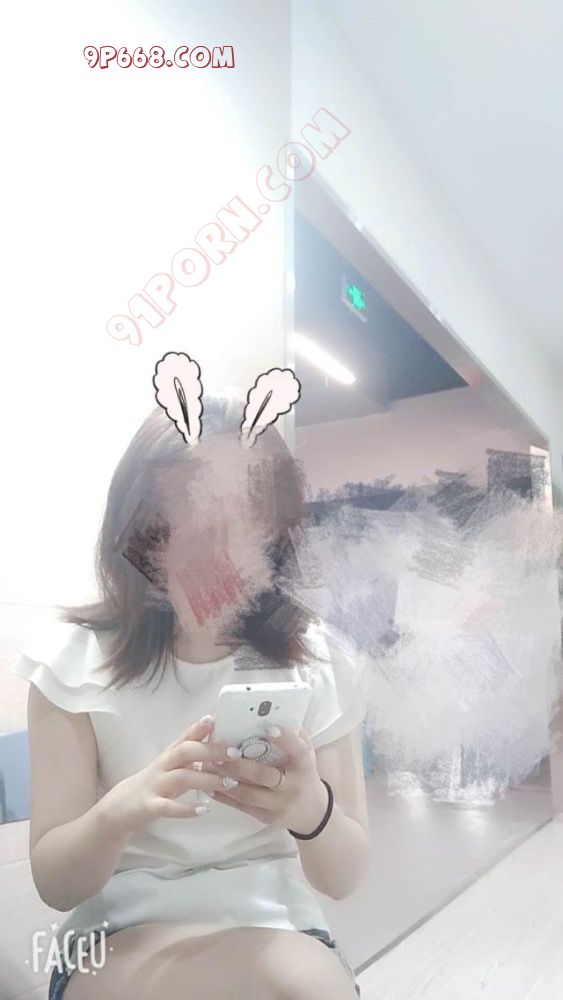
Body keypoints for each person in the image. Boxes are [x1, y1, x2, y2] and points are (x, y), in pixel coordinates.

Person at [11, 395, 370, 999]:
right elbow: (57, 884)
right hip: (120, 932)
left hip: (278, 924)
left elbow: (346, 875)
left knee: (301, 985)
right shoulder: (71, 662)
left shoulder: (319, 660)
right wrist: (121, 811)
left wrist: (309, 808)